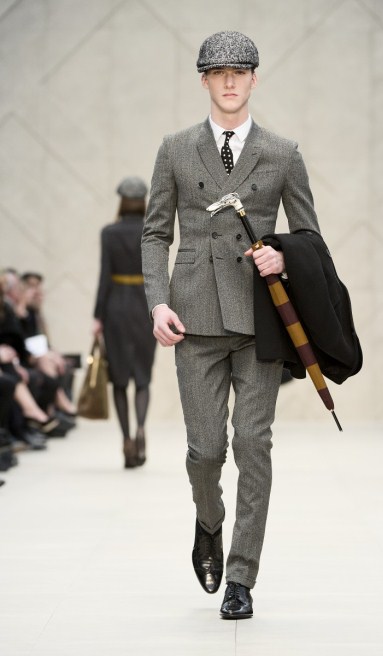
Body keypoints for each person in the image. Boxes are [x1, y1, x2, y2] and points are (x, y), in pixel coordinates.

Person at [141, 31, 320, 619]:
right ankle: (208, 520)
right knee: (205, 451)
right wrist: (158, 302)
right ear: (204, 80)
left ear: (254, 79)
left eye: (239, 71)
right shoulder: (174, 149)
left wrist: (283, 255)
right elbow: (155, 233)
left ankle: (242, 577)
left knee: (252, 444)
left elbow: (309, 236)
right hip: (192, 318)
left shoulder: (283, 153)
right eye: (218, 72)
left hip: (259, 321)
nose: (229, 81)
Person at [93, 177, 156, 469]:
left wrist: (97, 316)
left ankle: (127, 440)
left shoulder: (109, 232)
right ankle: (141, 428)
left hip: (116, 307)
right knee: (142, 376)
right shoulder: (151, 230)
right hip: (145, 306)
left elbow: (104, 276)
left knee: (119, 379)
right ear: (143, 202)